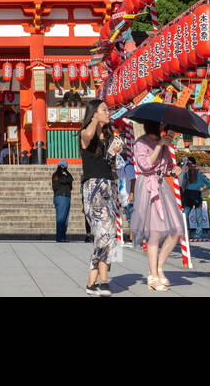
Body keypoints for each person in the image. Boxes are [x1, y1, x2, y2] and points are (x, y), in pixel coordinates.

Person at [132, 121, 186, 292]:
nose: (164, 128)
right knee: (154, 232)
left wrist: (174, 170)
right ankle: (153, 275)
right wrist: (159, 146)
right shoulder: (140, 142)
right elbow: (145, 165)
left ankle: (160, 266)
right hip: (147, 186)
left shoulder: (164, 144)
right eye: (162, 126)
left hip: (162, 186)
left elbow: (168, 167)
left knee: (176, 229)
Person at [79, 99, 123, 296]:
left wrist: (115, 152)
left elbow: (113, 168)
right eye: (104, 110)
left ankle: (93, 282)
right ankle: (102, 281)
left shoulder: (109, 138)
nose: (109, 112)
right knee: (103, 233)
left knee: (110, 234)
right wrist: (95, 121)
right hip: (93, 187)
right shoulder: (85, 134)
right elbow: (88, 134)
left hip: (109, 186)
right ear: (94, 113)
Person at [117, 150, 137, 243]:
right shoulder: (120, 168)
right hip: (124, 197)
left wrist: (132, 193)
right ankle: (131, 238)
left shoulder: (128, 167)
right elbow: (116, 177)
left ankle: (133, 238)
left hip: (130, 197)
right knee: (129, 219)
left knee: (132, 219)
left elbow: (133, 180)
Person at [52, 158, 74, 242]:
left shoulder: (66, 175)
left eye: (64, 166)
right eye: (62, 166)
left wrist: (67, 172)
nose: (63, 168)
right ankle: (59, 237)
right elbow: (65, 181)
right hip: (61, 197)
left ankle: (63, 236)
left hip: (67, 197)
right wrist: (65, 174)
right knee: (61, 218)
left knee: (65, 219)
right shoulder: (56, 175)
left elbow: (71, 180)